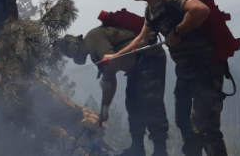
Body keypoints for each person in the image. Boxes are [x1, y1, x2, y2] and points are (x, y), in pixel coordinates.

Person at [105, 0, 228, 156]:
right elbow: (143, 39)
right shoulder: (150, 9)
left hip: (206, 69)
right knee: (184, 122)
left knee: (205, 127)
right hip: (185, 73)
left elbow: (200, 10)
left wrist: (178, 31)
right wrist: (117, 56)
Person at [56, 25, 169, 156]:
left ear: (76, 46)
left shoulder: (94, 36)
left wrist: (106, 78)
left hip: (150, 57)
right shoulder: (94, 55)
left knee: (152, 102)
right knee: (132, 103)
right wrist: (105, 109)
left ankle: (160, 150)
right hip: (136, 67)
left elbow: (112, 62)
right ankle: (137, 147)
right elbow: (110, 80)